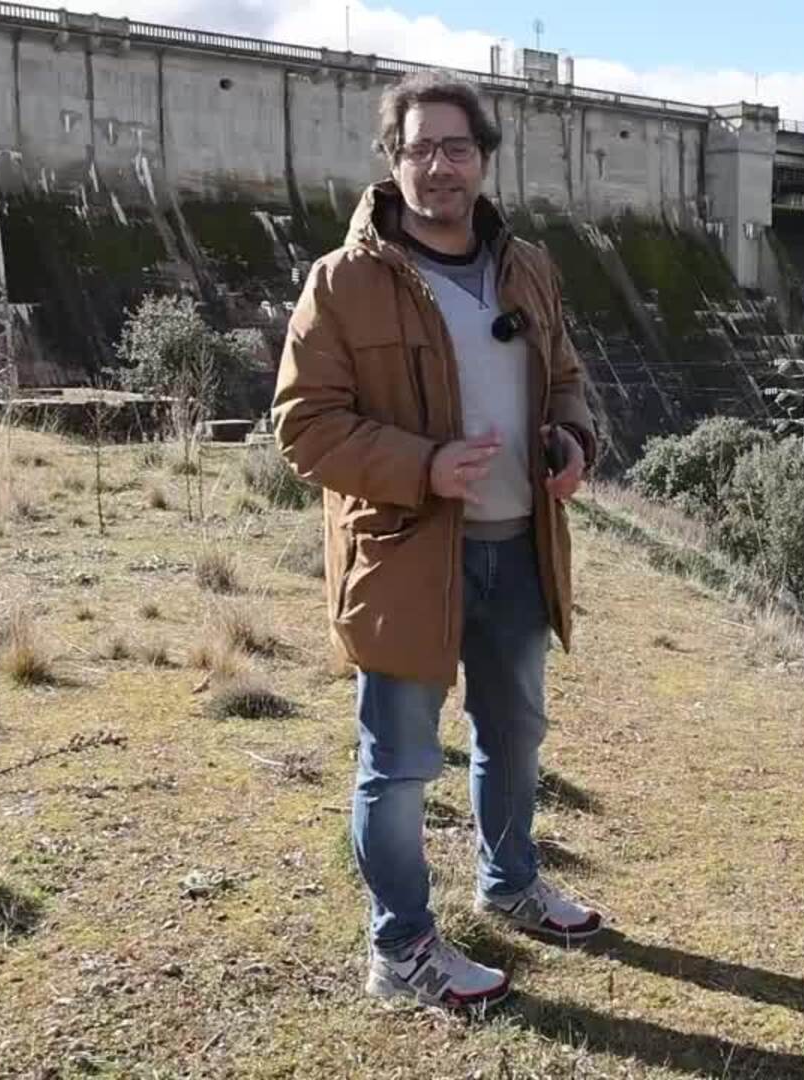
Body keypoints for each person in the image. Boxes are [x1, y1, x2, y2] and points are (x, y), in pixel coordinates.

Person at [271, 73, 603, 1014]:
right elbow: (305, 428)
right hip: (409, 557)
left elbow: (567, 378)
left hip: (519, 545)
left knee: (514, 736)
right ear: (392, 161)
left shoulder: (527, 267)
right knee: (402, 764)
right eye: (419, 148)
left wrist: (572, 441)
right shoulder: (344, 283)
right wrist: (425, 465)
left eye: (457, 148)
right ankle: (403, 949)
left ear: (484, 158)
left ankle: (510, 883)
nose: (439, 166)